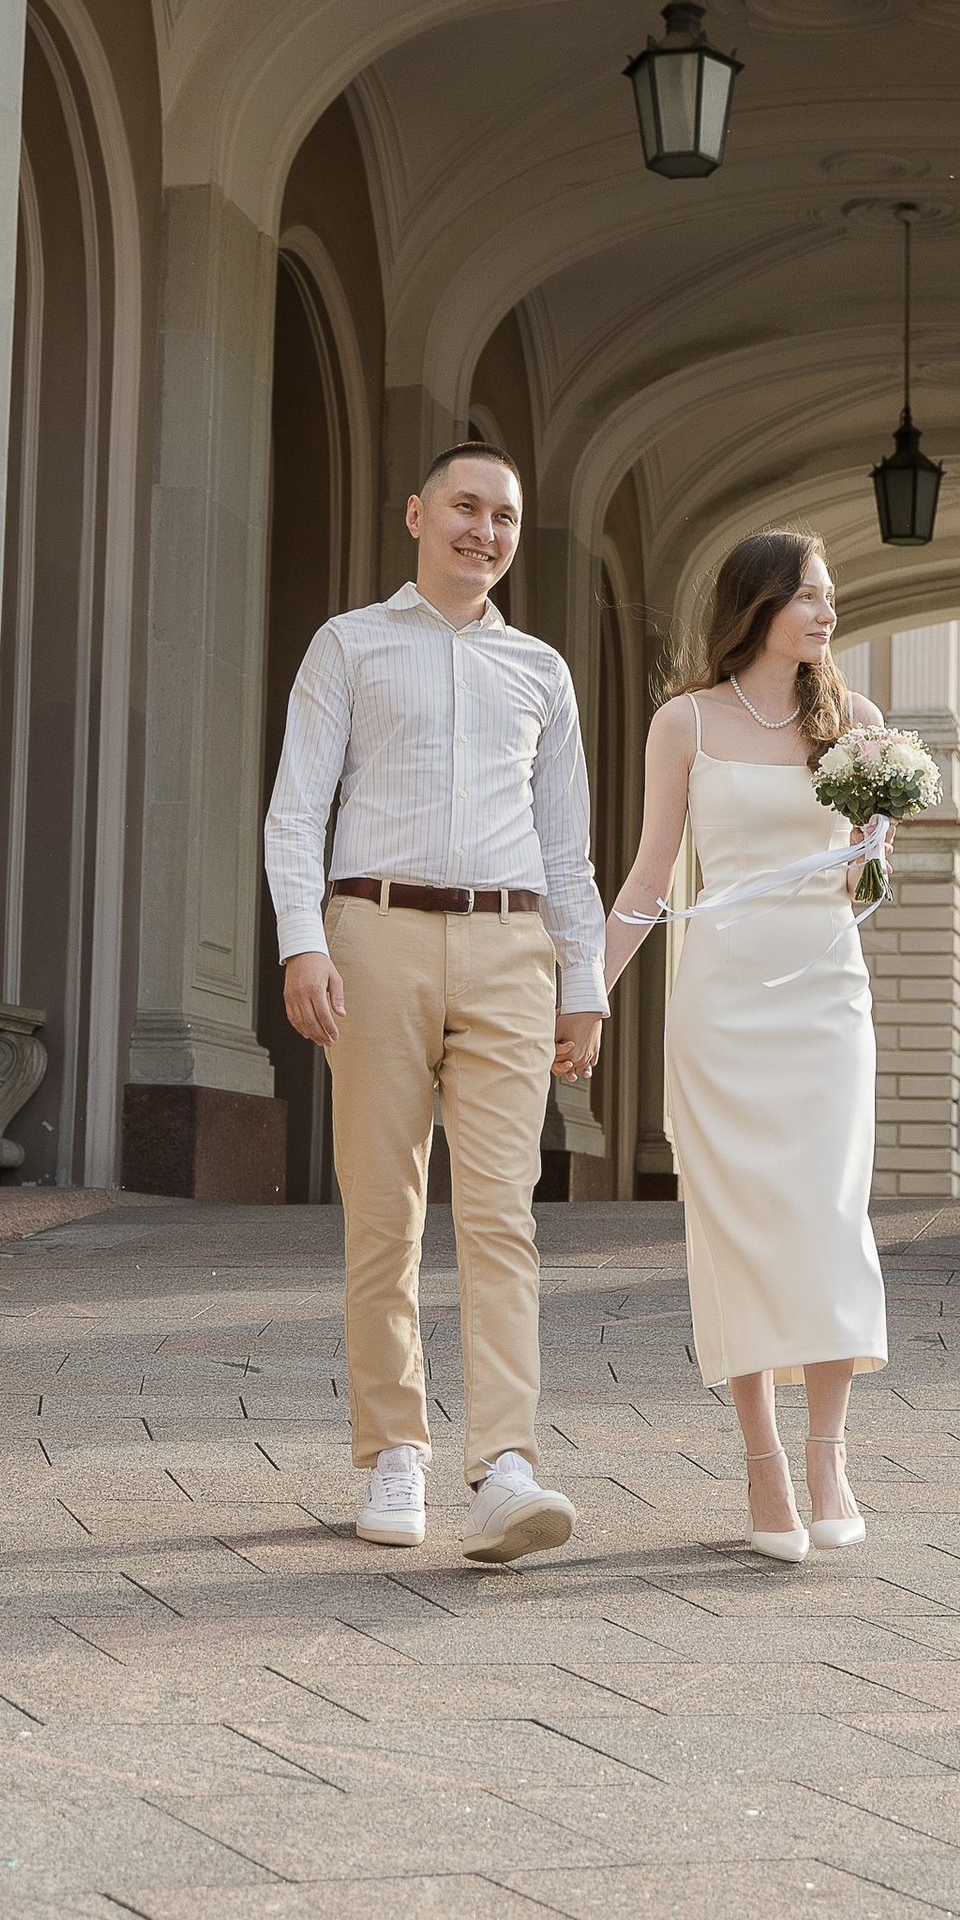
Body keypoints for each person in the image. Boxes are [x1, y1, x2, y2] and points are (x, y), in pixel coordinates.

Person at [265, 442, 606, 1563]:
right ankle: (394, 1453)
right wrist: (303, 941)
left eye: (504, 517)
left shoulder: (540, 671)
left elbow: (566, 846)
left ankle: (504, 1465)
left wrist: (584, 984)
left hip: (511, 947)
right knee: (385, 1211)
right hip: (375, 938)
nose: (485, 531)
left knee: (504, 1213)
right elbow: (296, 809)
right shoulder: (348, 644)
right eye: (465, 507)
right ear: (416, 515)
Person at [602, 530, 886, 1561]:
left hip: (825, 996)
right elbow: (649, 877)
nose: (825, 612)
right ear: (756, 604)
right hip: (721, 1003)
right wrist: (584, 996)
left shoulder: (858, 726)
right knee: (736, 1230)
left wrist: (875, 843)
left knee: (828, 1218)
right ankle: (764, 1463)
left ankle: (829, 1456)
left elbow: (857, 882)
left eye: (829, 595)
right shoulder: (684, 721)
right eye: (806, 595)